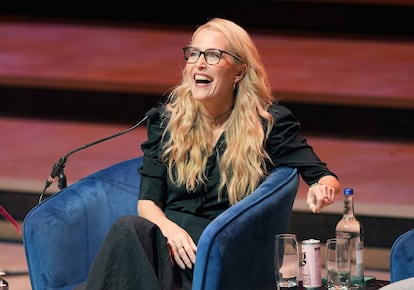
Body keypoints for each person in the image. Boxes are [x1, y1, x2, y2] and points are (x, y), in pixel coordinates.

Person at [75, 17, 340, 290]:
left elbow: (323, 176)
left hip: (217, 252)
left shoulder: (268, 124)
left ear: (239, 72)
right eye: (194, 53)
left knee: (124, 243)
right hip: (168, 244)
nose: (199, 63)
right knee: (130, 229)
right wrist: (170, 231)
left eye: (214, 55)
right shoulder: (168, 122)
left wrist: (322, 188)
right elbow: (147, 203)